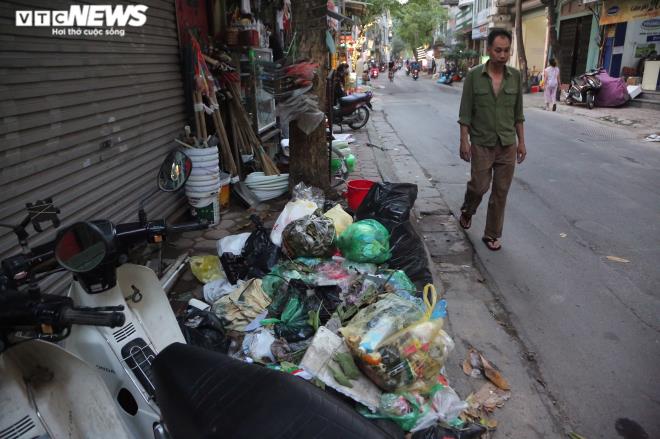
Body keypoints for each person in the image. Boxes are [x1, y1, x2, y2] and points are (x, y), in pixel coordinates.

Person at [457, 28, 526, 251]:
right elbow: (465, 113)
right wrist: (464, 141)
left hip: (507, 144)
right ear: (489, 50)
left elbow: (518, 114)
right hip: (482, 142)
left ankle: (492, 234)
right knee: (479, 187)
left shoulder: (515, 76)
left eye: (506, 51)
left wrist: (521, 142)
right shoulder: (474, 76)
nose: (503, 55)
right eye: (498, 50)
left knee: (500, 191)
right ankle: (468, 210)